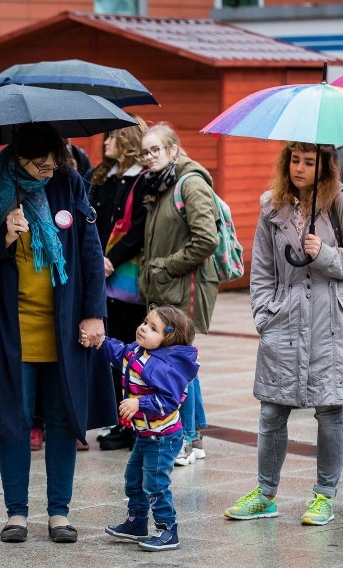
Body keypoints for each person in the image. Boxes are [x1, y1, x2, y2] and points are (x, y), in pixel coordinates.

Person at [0, 122, 115, 544]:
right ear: (17, 158)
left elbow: (89, 251)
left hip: (64, 324)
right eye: (37, 165)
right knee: (14, 419)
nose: (46, 171)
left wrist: (93, 314)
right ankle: (16, 514)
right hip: (10, 325)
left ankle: (59, 514)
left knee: (65, 418)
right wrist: (5, 236)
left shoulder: (68, 183)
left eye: (52, 163)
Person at [223, 142, 343, 526]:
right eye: (295, 160)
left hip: (330, 324)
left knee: (329, 410)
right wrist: (263, 315)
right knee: (272, 409)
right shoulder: (272, 207)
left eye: (309, 162)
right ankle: (265, 494)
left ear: (325, 168)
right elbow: (262, 270)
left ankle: (324, 496)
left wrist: (324, 252)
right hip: (283, 322)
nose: (300, 168)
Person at [82, 305, 197, 551]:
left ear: (169, 340)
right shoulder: (138, 351)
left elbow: (168, 401)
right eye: (145, 322)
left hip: (163, 437)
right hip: (146, 435)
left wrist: (139, 403)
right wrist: (99, 341)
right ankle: (137, 523)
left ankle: (168, 530)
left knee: (155, 484)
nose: (143, 328)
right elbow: (120, 352)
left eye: (153, 328)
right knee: (133, 479)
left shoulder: (164, 368)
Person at [137, 123, 218, 467]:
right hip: (166, 287)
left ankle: (185, 438)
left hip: (184, 289)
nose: (149, 157)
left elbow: (206, 239)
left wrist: (166, 267)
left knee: (174, 364)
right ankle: (194, 436)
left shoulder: (191, 183)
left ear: (172, 150)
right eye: (144, 152)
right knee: (182, 365)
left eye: (156, 150)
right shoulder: (161, 185)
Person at [88, 118, 150, 451]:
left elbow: (138, 228)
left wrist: (110, 257)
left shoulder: (140, 180)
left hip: (126, 279)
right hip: (100, 274)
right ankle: (117, 419)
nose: (106, 142)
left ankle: (130, 424)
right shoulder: (101, 177)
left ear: (125, 139)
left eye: (111, 135)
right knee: (110, 349)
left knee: (129, 349)